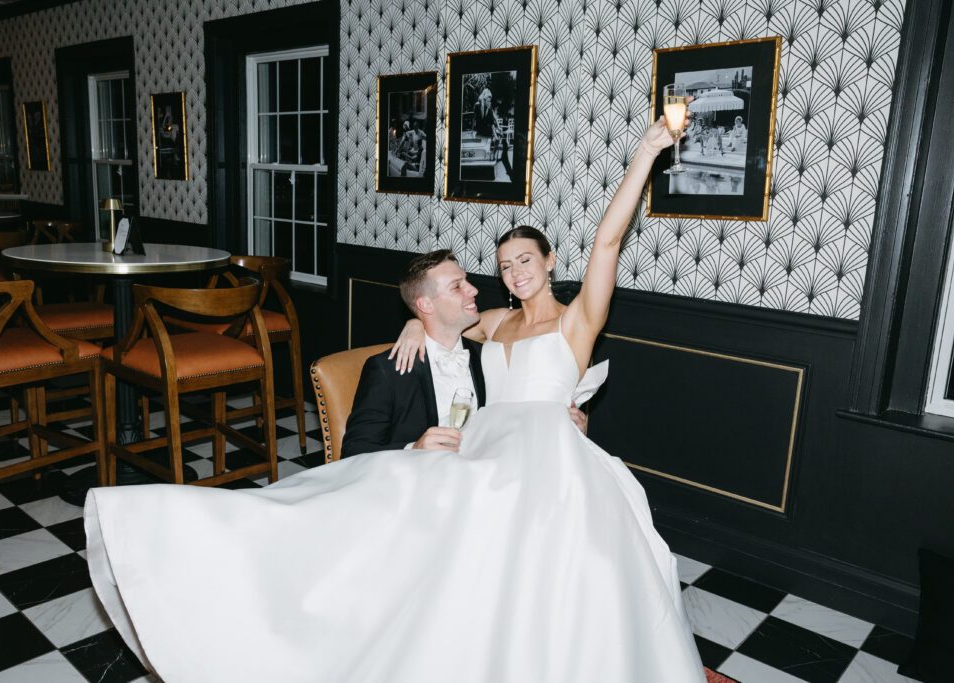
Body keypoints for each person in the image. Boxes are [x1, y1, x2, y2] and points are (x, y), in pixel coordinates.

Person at [83, 114, 705, 682]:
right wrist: (412, 321)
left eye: (525, 260)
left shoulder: (576, 322)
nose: (515, 272)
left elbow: (608, 242)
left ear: (548, 261)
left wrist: (647, 152)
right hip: (483, 447)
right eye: (504, 265)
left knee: (531, 572)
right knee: (391, 510)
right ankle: (207, 545)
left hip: (546, 459)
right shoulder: (492, 323)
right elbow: (439, 318)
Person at [342, 250, 586, 457]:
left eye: (466, 280)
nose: (473, 290)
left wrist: (565, 423)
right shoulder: (386, 370)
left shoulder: (487, 358)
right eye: (457, 286)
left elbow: (519, 411)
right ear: (426, 305)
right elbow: (354, 451)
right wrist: (412, 449)